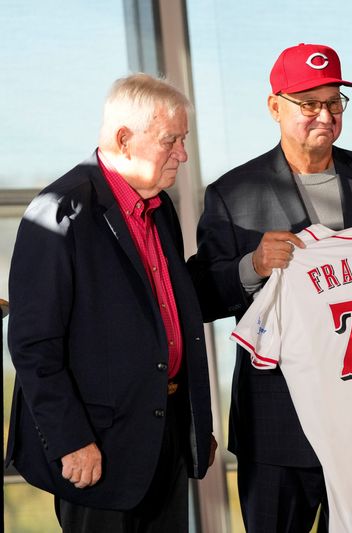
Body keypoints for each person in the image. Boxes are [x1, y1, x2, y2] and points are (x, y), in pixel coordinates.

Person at [188, 42, 352, 532]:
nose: (324, 115)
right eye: (309, 103)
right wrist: (252, 265)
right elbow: (198, 294)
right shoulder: (234, 193)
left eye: (334, 102)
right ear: (274, 106)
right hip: (278, 425)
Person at [5, 73, 215, 532]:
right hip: (96, 449)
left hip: (164, 437)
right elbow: (33, 345)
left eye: (183, 140)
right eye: (171, 140)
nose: (182, 154)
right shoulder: (61, 211)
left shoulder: (158, 208)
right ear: (124, 139)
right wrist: (71, 442)